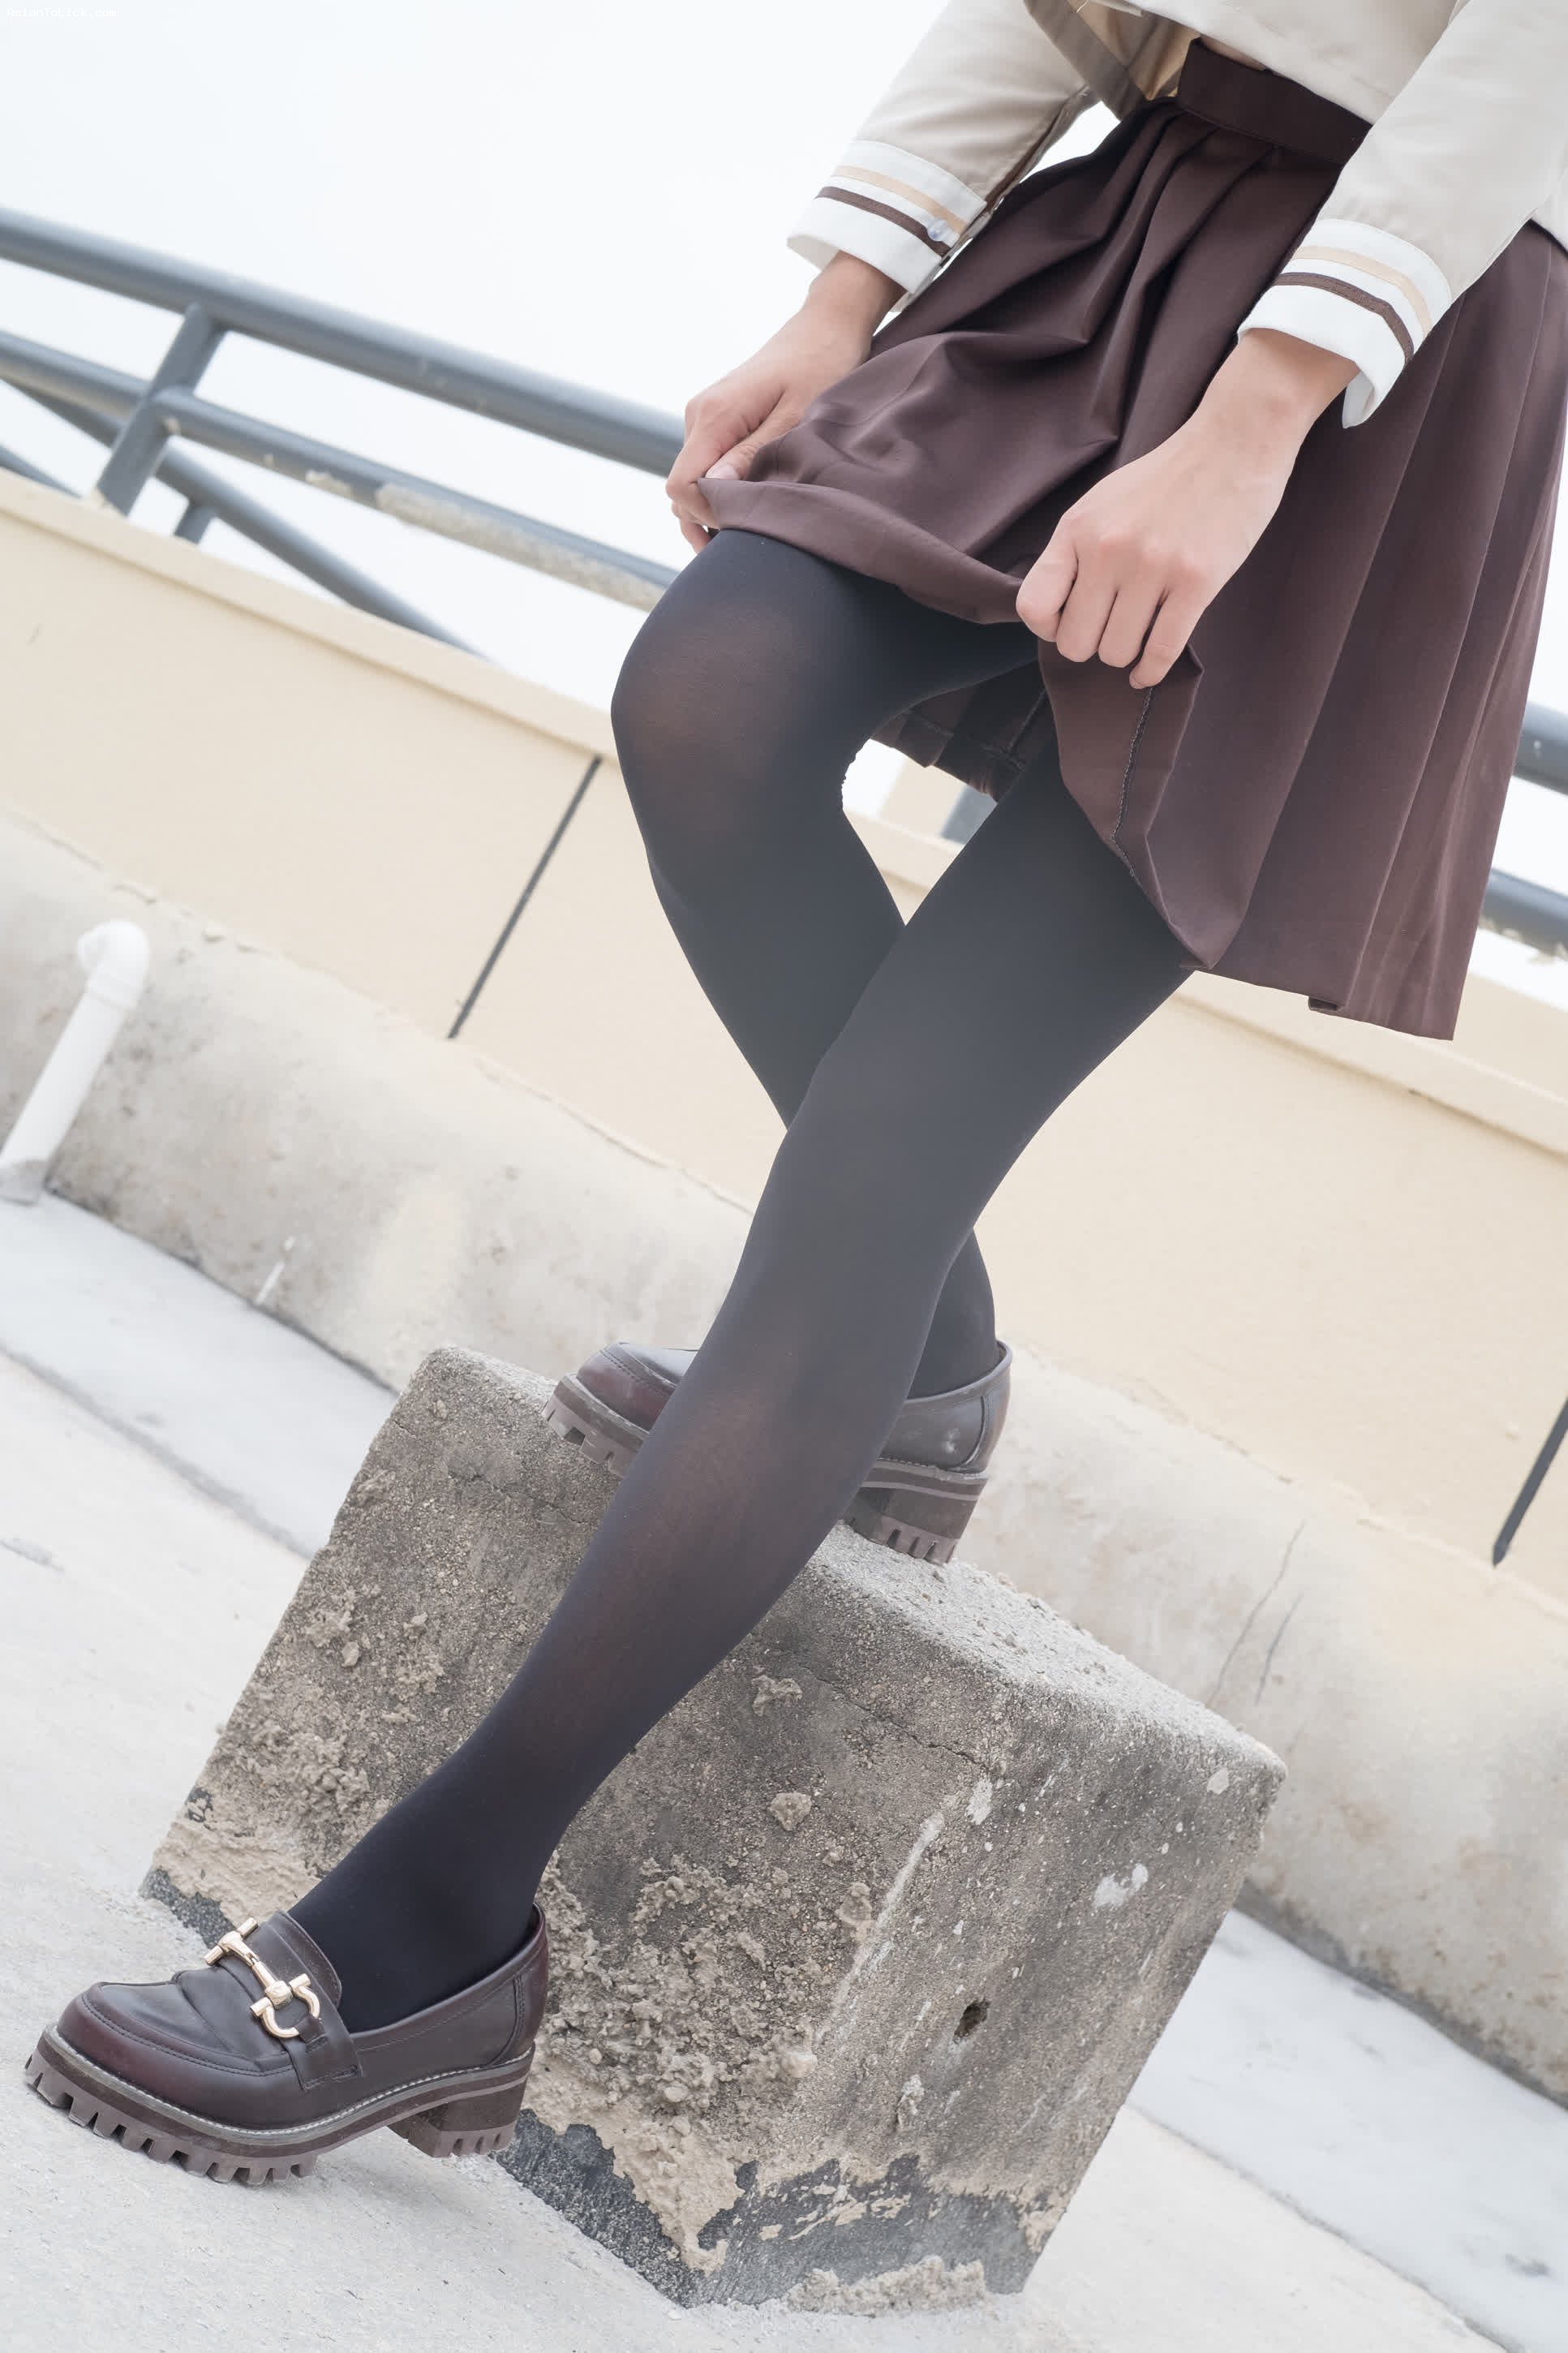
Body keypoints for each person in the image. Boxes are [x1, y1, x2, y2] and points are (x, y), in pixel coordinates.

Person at [28, 1, 1568, 2183]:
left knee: (885, 1152)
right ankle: (926, 1359)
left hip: (1386, 333)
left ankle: (424, 1936)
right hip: (1121, 208)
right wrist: (838, 301)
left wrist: (1259, 417)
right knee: (714, 690)